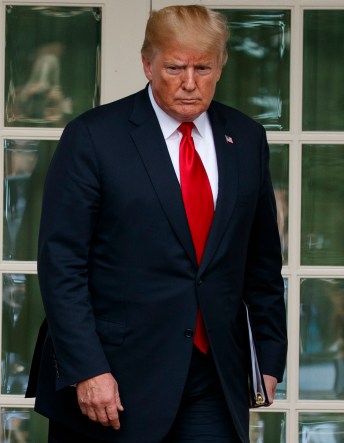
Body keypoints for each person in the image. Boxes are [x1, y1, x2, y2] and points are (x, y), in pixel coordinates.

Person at [27, 5, 287, 443]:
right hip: (116, 379)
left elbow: (261, 263)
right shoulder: (93, 137)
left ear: (220, 66)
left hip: (214, 375)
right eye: (174, 67)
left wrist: (268, 357)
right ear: (147, 63)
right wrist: (88, 368)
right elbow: (62, 265)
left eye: (203, 67)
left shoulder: (245, 138)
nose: (190, 82)